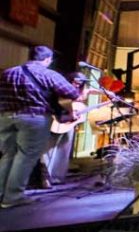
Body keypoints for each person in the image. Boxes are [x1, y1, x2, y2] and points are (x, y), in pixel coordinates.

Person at [0, 46, 84, 208]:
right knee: (25, 156)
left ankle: (1, 194)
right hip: (34, 118)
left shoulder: (8, 73)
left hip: (5, 117)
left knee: (8, 155)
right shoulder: (49, 74)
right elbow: (72, 94)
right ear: (47, 59)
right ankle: (13, 197)